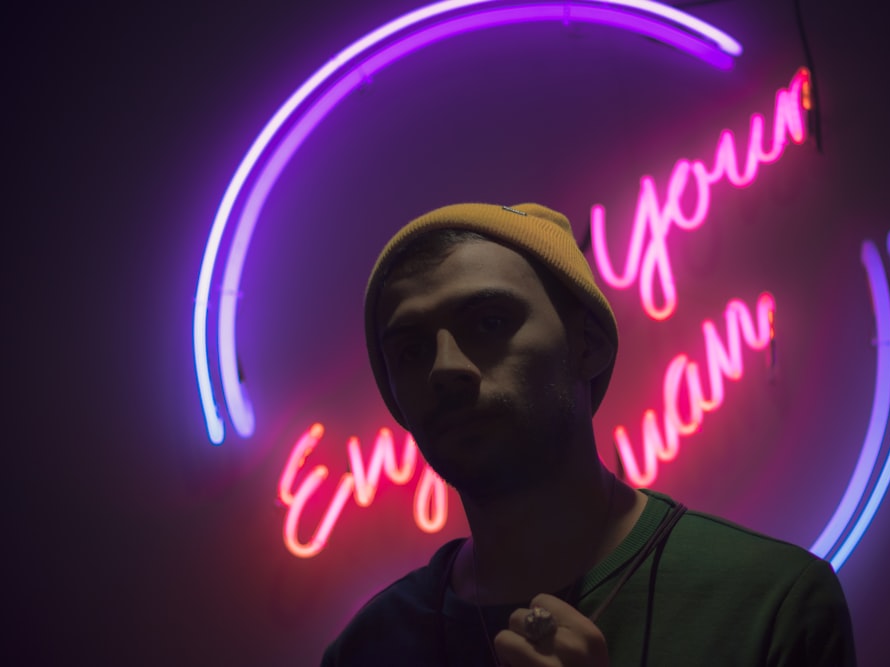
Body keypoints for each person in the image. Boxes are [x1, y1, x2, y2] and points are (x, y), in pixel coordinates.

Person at [321, 203, 856, 666]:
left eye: (489, 322)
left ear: (590, 344)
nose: (445, 368)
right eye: (410, 351)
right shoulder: (367, 650)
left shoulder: (767, 604)